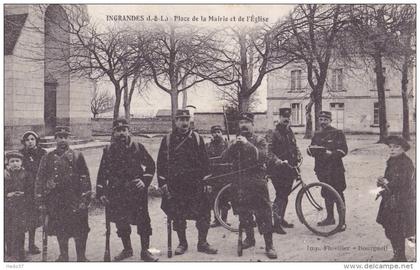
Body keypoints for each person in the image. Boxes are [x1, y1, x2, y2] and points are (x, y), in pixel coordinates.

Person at [96, 119, 158, 262]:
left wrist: (144, 180)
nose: (121, 133)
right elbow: (102, 174)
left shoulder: (137, 147)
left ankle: (145, 251)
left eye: (124, 130)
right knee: (121, 221)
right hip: (117, 192)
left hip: (136, 192)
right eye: (118, 130)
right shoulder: (108, 150)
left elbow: (151, 166)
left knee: (143, 221)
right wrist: (102, 192)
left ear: (128, 131)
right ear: (114, 132)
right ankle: (127, 249)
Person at [157, 109, 217, 256]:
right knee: (178, 215)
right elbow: (161, 163)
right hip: (176, 185)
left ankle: (202, 243)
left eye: (186, 119)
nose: (184, 122)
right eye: (180, 119)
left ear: (189, 121)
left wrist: (208, 182)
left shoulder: (197, 138)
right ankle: (182, 243)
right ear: (176, 121)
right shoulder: (168, 140)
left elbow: (205, 162)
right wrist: (162, 183)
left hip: (196, 184)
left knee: (203, 213)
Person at [221, 112, 277, 259]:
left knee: (264, 213)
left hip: (257, 182)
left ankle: (269, 245)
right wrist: (232, 146)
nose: (244, 125)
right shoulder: (235, 141)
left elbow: (263, 157)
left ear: (253, 125)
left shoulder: (260, 140)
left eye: (247, 122)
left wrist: (247, 144)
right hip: (240, 183)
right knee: (244, 213)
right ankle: (250, 239)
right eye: (241, 122)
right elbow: (224, 158)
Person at [35, 126, 92, 262]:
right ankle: (63, 255)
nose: (63, 140)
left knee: (81, 230)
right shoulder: (47, 157)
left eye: (65, 137)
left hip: (75, 198)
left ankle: (81, 256)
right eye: (60, 137)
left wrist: (85, 198)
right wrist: (40, 201)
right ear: (55, 139)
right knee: (61, 229)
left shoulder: (78, 156)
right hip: (56, 200)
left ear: (69, 138)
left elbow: (85, 177)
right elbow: (40, 179)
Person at [307, 111, 348, 231]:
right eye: (321, 119)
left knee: (338, 194)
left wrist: (331, 154)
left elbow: (344, 150)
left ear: (330, 120)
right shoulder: (317, 134)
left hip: (336, 169)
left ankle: (342, 222)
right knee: (326, 194)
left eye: (325, 119)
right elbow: (312, 149)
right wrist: (310, 150)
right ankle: (330, 218)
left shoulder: (338, 133)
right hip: (322, 169)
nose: (323, 122)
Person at [376, 136, 415, 262]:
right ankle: (398, 255)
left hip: (400, 202)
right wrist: (382, 181)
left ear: (404, 149)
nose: (392, 150)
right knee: (390, 228)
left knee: (398, 229)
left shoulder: (406, 163)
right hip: (390, 199)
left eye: (396, 147)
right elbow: (390, 178)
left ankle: (400, 257)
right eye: (390, 147)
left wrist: (387, 183)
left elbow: (403, 182)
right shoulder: (392, 160)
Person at [267, 108, 301, 235]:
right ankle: (275, 224)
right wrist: (278, 161)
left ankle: (281, 219)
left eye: (288, 117)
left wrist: (298, 155)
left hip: (290, 169)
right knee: (280, 195)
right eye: (283, 117)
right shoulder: (273, 132)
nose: (286, 119)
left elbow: (295, 146)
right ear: (279, 117)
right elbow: (268, 151)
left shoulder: (289, 131)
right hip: (277, 170)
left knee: (285, 195)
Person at [19, 131, 47, 254]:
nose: (30, 142)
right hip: (24, 191)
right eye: (27, 140)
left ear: (36, 141)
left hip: (37, 190)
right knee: (22, 218)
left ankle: (31, 244)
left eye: (32, 139)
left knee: (34, 218)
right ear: (24, 142)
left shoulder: (43, 154)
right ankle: (19, 246)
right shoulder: (20, 155)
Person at [5, 151, 30, 261]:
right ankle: (10, 251)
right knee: (8, 229)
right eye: (12, 161)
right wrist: (7, 194)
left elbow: (30, 190)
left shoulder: (26, 175)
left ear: (21, 163)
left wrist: (24, 194)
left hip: (21, 207)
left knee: (20, 230)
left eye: (17, 161)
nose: (15, 163)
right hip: (7, 208)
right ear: (7, 163)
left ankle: (20, 252)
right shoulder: (5, 175)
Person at [205, 125, 230, 228]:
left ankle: (224, 219)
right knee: (214, 198)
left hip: (225, 175)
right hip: (214, 176)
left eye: (219, 132)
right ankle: (216, 219)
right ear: (212, 134)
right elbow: (206, 160)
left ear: (222, 133)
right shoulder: (208, 146)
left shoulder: (227, 145)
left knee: (225, 197)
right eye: (214, 132)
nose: (217, 134)